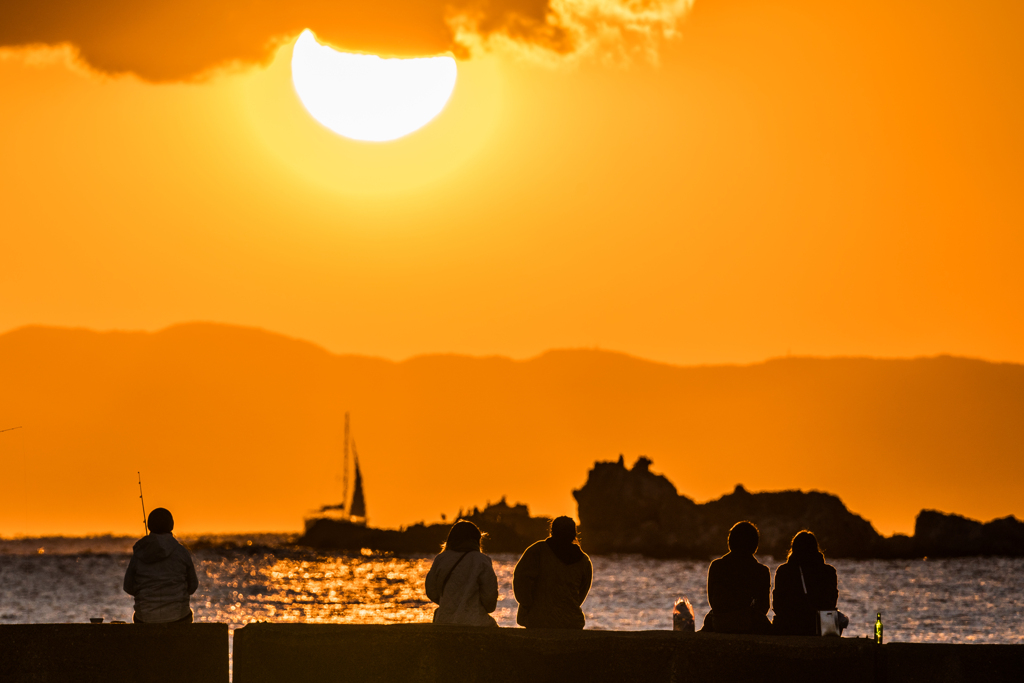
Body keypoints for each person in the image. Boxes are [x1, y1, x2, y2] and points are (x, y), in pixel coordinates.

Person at [513, 516, 593, 629]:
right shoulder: (584, 561)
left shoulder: (537, 551)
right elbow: (581, 594)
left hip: (538, 620)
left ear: (552, 531)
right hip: (572, 622)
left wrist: (528, 605)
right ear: (574, 534)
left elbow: (521, 581)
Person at [123, 508, 199, 623]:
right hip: (179, 618)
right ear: (171, 525)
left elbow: (128, 586)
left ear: (149, 526)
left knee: (137, 616)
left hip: (145, 618)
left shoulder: (139, 553)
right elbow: (192, 586)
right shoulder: (181, 552)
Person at [424, 520, 499, 626]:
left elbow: (431, 591)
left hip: (443, 621)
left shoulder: (441, 559)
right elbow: (490, 602)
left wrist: (449, 602)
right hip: (476, 623)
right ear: (477, 540)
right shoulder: (482, 560)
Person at [701, 520, 771, 634]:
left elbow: (712, 601)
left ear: (730, 542)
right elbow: (764, 607)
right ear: (755, 545)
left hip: (719, 623)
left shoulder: (716, 566)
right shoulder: (761, 571)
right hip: (748, 625)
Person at [772, 530, 842, 635]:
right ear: (815, 548)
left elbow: (777, 604)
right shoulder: (829, 572)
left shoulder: (784, 571)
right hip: (820, 628)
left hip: (788, 627)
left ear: (794, 548)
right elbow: (832, 601)